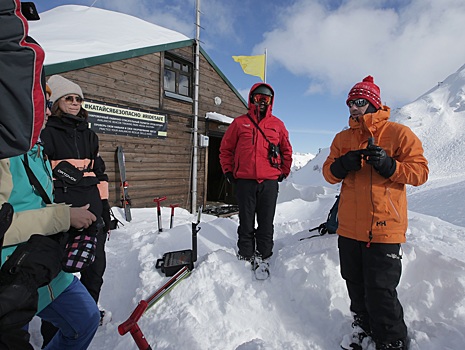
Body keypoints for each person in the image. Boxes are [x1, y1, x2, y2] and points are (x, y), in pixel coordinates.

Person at [322, 76, 429, 350]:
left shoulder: (398, 133)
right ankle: (362, 328)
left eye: (359, 102)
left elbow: (420, 173)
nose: (353, 108)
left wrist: (389, 165)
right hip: (348, 229)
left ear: (372, 103)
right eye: (350, 103)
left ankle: (391, 340)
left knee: (381, 291)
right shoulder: (342, 138)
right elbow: (328, 174)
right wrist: (342, 165)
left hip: (384, 229)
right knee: (355, 284)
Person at [0, 84, 100, 349]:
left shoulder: (37, 149)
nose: (44, 110)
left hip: (43, 261)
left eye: (45, 103)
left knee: (86, 319)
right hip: (8, 276)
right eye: (40, 102)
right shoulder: (6, 153)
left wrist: (94, 214)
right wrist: (63, 217)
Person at [39, 75, 111, 344]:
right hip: (62, 216)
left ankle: (86, 316)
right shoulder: (46, 134)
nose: (74, 103)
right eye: (68, 98)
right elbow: (43, 178)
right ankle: (52, 334)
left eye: (78, 98)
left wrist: (105, 211)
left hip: (93, 217)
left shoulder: (90, 135)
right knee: (56, 278)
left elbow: (100, 174)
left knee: (95, 273)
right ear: (57, 102)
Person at [219, 83, 292, 273]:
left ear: (271, 102)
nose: (261, 102)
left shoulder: (278, 125)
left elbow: (286, 150)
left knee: (266, 221)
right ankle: (245, 253)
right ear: (251, 99)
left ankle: (264, 254)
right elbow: (225, 149)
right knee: (246, 220)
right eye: (258, 98)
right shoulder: (239, 123)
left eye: (265, 99)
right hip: (245, 182)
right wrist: (228, 171)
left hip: (269, 182)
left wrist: (284, 170)